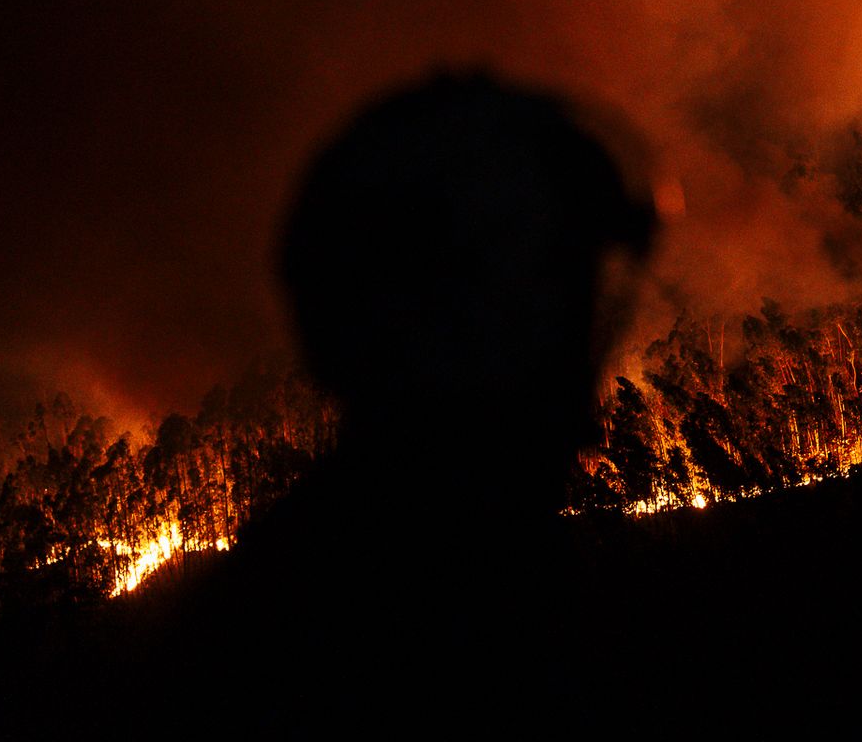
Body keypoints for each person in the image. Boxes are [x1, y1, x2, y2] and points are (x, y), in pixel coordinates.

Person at [142, 71, 658, 730]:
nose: (577, 326)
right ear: (462, 309)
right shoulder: (440, 610)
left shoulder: (322, 582)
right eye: (549, 283)